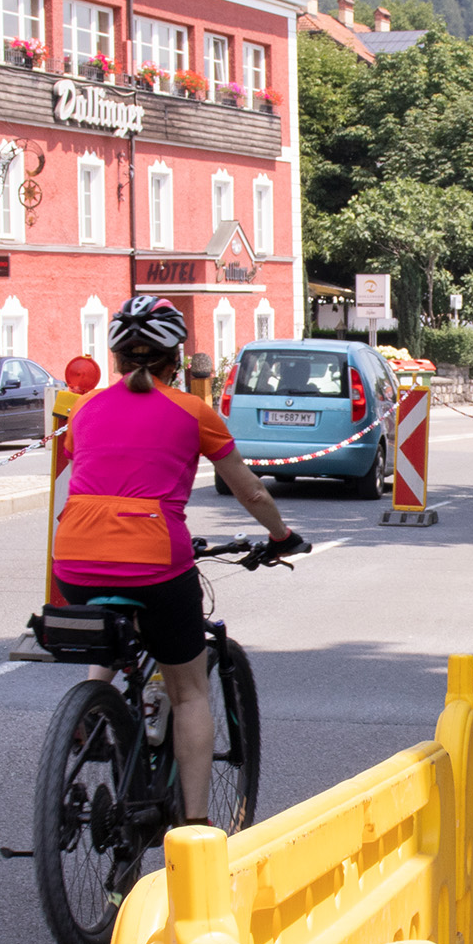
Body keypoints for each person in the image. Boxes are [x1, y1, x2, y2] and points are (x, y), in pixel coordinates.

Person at [51, 297, 307, 826]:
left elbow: (90, 475)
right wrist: (280, 536)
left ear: (118, 359)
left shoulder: (86, 409)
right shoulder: (194, 412)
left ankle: (96, 709)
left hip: (73, 557)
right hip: (153, 559)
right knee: (189, 693)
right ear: (177, 361)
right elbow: (251, 492)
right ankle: (195, 827)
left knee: (109, 621)